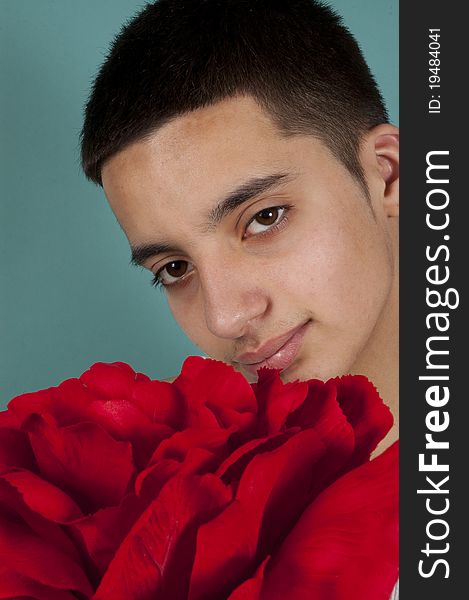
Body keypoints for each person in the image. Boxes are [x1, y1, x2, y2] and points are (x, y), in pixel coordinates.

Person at [80, 0, 399, 454]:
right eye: (174, 268)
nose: (224, 319)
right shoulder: (158, 468)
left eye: (264, 218)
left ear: (388, 175)